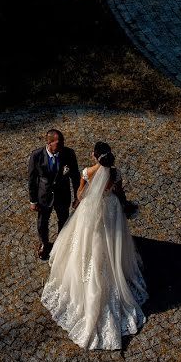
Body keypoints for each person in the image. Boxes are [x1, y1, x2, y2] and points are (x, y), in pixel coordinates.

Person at [40, 141, 148, 350]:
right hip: (112, 211)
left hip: (91, 212)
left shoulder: (88, 172)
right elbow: (119, 193)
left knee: (88, 244)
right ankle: (113, 272)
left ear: (94, 156)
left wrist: (86, 194)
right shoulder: (115, 173)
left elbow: (80, 195)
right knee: (112, 245)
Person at [28, 129, 79, 261]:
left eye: (63, 142)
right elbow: (32, 180)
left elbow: (75, 177)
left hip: (63, 195)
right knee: (42, 222)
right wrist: (33, 201)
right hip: (44, 196)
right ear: (49, 143)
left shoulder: (69, 153)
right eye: (59, 143)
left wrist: (78, 197)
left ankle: (61, 244)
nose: (62, 145)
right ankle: (44, 244)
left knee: (64, 220)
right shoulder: (36, 156)